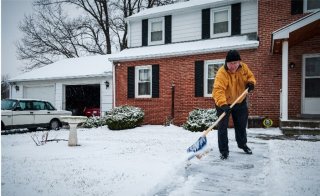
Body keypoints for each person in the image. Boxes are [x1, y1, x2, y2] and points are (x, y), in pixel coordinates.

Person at [212, 50, 256, 160]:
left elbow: (251, 76)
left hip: (240, 101)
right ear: (226, 63)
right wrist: (223, 104)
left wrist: (251, 83)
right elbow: (218, 90)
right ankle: (224, 151)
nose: (233, 66)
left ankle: (242, 145)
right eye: (231, 63)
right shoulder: (222, 73)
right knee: (222, 127)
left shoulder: (243, 68)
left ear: (239, 62)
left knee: (241, 125)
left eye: (236, 63)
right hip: (224, 103)